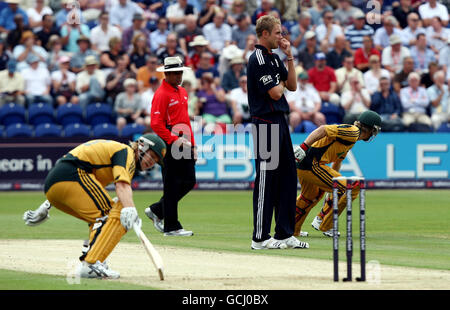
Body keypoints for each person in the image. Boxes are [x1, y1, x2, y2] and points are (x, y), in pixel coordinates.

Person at [22, 134, 167, 279]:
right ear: (142, 146)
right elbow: (122, 185)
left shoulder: (119, 155)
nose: (152, 163)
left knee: (105, 215)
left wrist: (47, 204)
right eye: (152, 156)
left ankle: (96, 259)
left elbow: (90, 186)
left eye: (155, 161)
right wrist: (130, 209)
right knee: (111, 214)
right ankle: (90, 264)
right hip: (73, 175)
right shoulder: (126, 152)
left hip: (58, 184)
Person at [247, 15, 308, 250]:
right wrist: (280, 84)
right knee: (265, 179)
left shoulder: (273, 58)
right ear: (264, 34)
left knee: (287, 177)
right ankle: (259, 238)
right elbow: (275, 93)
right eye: (277, 33)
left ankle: (284, 233)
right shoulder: (259, 58)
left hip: (280, 122)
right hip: (264, 122)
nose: (281, 37)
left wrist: (290, 56)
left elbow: (291, 86)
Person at [293, 110, 382, 237]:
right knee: (354, 185)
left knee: (310, 196)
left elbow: (337, 162)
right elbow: (323, 129)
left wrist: (334, 186)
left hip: (306, 165)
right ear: (371, 129)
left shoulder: (352, 139)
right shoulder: (353, 131)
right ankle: (324, 222)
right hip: (311, 164)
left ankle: (291, 229)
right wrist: (304, 146)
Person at [145, 56, 196, 237]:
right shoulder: (161, 94)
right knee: (172, 183)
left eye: (180, 72)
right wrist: (174, 139)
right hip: (170, 141)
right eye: (175, 73)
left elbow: (186, 120)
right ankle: (171, 227)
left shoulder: (182, 92)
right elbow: (156, 123)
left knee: (189, 181)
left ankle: (158, 210)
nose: (178, 76)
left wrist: (193, 145)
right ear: (166, 74)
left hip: (184, 139)